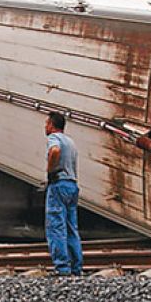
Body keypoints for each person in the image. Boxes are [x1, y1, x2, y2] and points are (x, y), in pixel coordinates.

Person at [43, 112, 83, 276]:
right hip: (72, 185)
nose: (45, 127)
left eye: (46, 123)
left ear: (52, 125)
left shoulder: (54, 138)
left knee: (56, 226)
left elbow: (55, 151)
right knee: (71, 227)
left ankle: (62, 267)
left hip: (59, 184)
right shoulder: (71, 142)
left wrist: (50, 171)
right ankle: (76, 267)